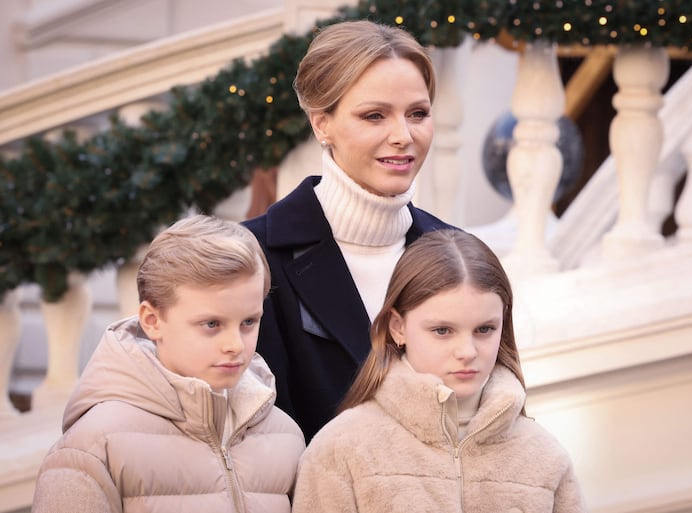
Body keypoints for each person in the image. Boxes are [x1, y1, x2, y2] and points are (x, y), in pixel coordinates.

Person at [242, 19, 455, 441]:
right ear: (322, 124)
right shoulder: (254, 254)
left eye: (418, 113)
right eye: (374, 116)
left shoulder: (459, 253)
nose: (403, 136)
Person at [292, 229, 587, 513]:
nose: (467, 352)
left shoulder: (545, 457)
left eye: (485, 329)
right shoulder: (341, 451)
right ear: (398, 327)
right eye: (442, 330)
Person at [32, 215, 305, 513]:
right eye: (211, 323)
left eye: (249, 322)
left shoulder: (285, 437)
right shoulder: (92, 449)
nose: (235, 345)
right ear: (152, 321)